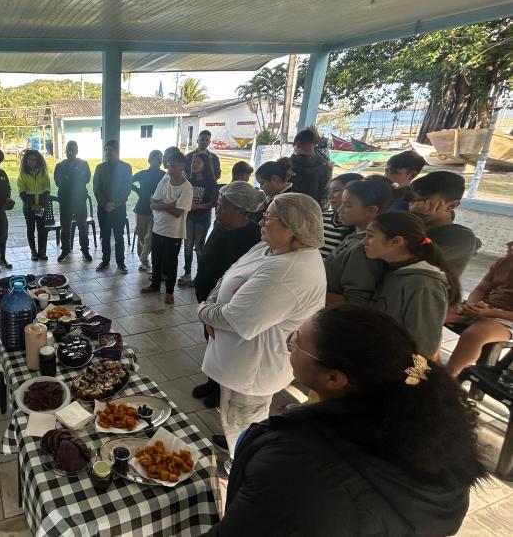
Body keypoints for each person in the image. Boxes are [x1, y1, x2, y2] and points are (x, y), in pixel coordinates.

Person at [209, 305, 485, 536]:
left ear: (333, 378)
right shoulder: (435, 430)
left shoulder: (296, 465)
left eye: (297, 343)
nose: (289, 345)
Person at [198, 193, 326, 478]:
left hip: (254, 368)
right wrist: (212, 301)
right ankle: (237, 447)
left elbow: (238, 319)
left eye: (269, 217)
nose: (261, 221)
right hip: (238, 358)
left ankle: (241, 468)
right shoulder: (270, 248)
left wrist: (204, 312)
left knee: (246, 420)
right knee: (233, 415)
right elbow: (229, 274)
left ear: (292, 227)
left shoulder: (290, 270)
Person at [191, 182, 264, 407]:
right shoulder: (220, 225)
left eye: (223, 207)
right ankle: (212, 382)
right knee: (212, 344)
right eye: (218, 205)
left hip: (230, 308)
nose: (218, 210)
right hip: (208, 300)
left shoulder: (253, 237)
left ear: (241, 210)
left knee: (228, 351)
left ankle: (224, 391)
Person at [363, 211, 462, 357]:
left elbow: (423, 347)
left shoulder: (423, 284)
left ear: (396, 241)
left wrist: (412, 379)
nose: (363, 241)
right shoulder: (393, 269)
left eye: (370, 236)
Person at [444, 240, 513, 376]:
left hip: (506, 319)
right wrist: (472, 304)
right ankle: (424, 360)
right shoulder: (502, 263)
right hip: (484, 308)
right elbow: (481, 289)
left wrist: (491, 313)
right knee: (434, 314)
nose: (509, 247)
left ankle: (449, 374)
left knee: (474, 334)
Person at [324, 176, 394, 305]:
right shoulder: (353, 236)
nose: (340, 209)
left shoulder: (365, 248)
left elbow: (355, 302)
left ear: (371, 210)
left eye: (348, 205)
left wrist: (309, 293)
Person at [140, 151, 192, 304]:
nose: (169, 170)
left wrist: (160, 206)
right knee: (156, 259)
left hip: (174, 232)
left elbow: (177, 213)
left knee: (171, 262)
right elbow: (152, 204)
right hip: (158, 228)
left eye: (172, 167)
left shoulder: (187, 187)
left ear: (182, 166)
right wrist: (168, 204)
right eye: (168, 166)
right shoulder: (164, 180)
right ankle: (155, 285)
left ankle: (169, 291)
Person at [409, 170, 481, 277]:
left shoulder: (462, 238)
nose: (415, 205)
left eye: (425, 202)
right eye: (414, 200)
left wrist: (415, 218)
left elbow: (406, 258)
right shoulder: (417, 225)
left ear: (452, 205)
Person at [179, 152, 219, 287]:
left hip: (202, 217)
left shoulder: (211, 182)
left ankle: (199, 275)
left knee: (199, 247)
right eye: (193, 162)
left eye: (198, 162)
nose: (194, 165)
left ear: (205, 165)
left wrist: (197, 206)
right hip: (189, 217)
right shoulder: (189, 181)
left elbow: (213, 202)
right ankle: (187, 273)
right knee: (187, 245)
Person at [93, 139, 133, 273]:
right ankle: (105, 261)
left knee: (118, 236)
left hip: (118, 208)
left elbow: (126, 188)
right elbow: (96, 188)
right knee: (104, 235)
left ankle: (121, 263)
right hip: (103, 209)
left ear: (117, 151)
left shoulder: (126, 167)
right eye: (106, 150)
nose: (108, 152)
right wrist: (105, 203)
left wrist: (114, 203)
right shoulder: (100, 168)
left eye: (110, 150)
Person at [53, 141, 93, 262]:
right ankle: (65, 250)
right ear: (65, 151)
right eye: (68, 149)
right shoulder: (59, 166)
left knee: (83, 226)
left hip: (79, 200)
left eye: (73, 149)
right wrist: (75, 177)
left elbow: (86, 179)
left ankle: (85, 250)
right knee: (65, 227)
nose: (70, 152)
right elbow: (58, 182)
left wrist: (68, 177)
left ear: (77, 151)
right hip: (65, 202)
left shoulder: (83, 164)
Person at [131, 149, 166, 272]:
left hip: (156, 210)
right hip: (141, 208)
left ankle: (144, 260)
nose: (157, 162)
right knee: (141, 236)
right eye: (154, 159)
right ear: (150, 160)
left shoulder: (164, 175)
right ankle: (143, 258)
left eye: (159, 159)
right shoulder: (143, 173)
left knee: (150, 237)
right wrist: (138, 191)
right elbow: (129, 181)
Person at [17, 149, 51, 260]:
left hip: (41, 208)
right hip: (29, 208)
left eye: (35, 160)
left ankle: (42, 251)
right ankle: (33, 251)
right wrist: (32, 205)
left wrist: (41, 205)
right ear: (26, 161)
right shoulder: (22, 175)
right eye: (30, 160)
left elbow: (47, 191)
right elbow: (22, 193)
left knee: (42, 229)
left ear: (38, 161)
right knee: (30, 230)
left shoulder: (43, 174)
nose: (32, 162)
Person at [320, 172, 364, 257]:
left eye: (336, 190)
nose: (329, 196)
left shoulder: (359, 225)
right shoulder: (321, 217)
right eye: (329, 191)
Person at [289, 128, 333, 207]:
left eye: (294, 146)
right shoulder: (325, 166)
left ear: (298, 145)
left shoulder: (289, 164)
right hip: (315, 210)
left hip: (293, 209)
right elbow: (325, 193)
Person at [250, 157, 294, 223]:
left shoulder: (288, 200)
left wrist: (260, 210)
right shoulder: (272, 194)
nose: (261, 187)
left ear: (274, 179)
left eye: (262, 183)